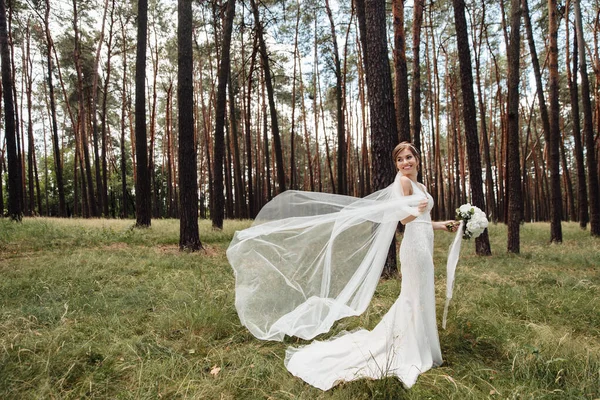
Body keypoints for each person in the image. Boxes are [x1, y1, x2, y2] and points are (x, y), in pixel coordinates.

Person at [227, 141, 458, 390]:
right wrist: (416, 209)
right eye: (400, 159)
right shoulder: (403, 183)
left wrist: (442, 224)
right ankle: (409, 346)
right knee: (412, 296)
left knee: (422, 294)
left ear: (417, 159)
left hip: (425, 244)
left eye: (409, 157)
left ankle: (422, 342)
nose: (405, 163)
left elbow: (423, 219)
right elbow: (404, 218)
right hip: (413, 247)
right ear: (397, 164)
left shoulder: (420, 185)